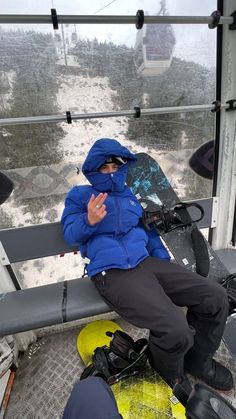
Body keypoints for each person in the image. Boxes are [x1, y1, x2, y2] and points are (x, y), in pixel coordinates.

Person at [61, 138, 233, 393]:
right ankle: (170, 376)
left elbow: (149, 234)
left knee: (216, 297)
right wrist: (89, 220)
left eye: (115, 167)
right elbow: (70, 233)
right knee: (176, 330)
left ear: (123, 168)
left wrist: (166, 273)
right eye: (104, 168)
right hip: (113, 272)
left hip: (147, 264)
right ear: (93, 170)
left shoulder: (130, 198)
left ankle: (199, 362)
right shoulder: (81, 196)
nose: (111, 173)